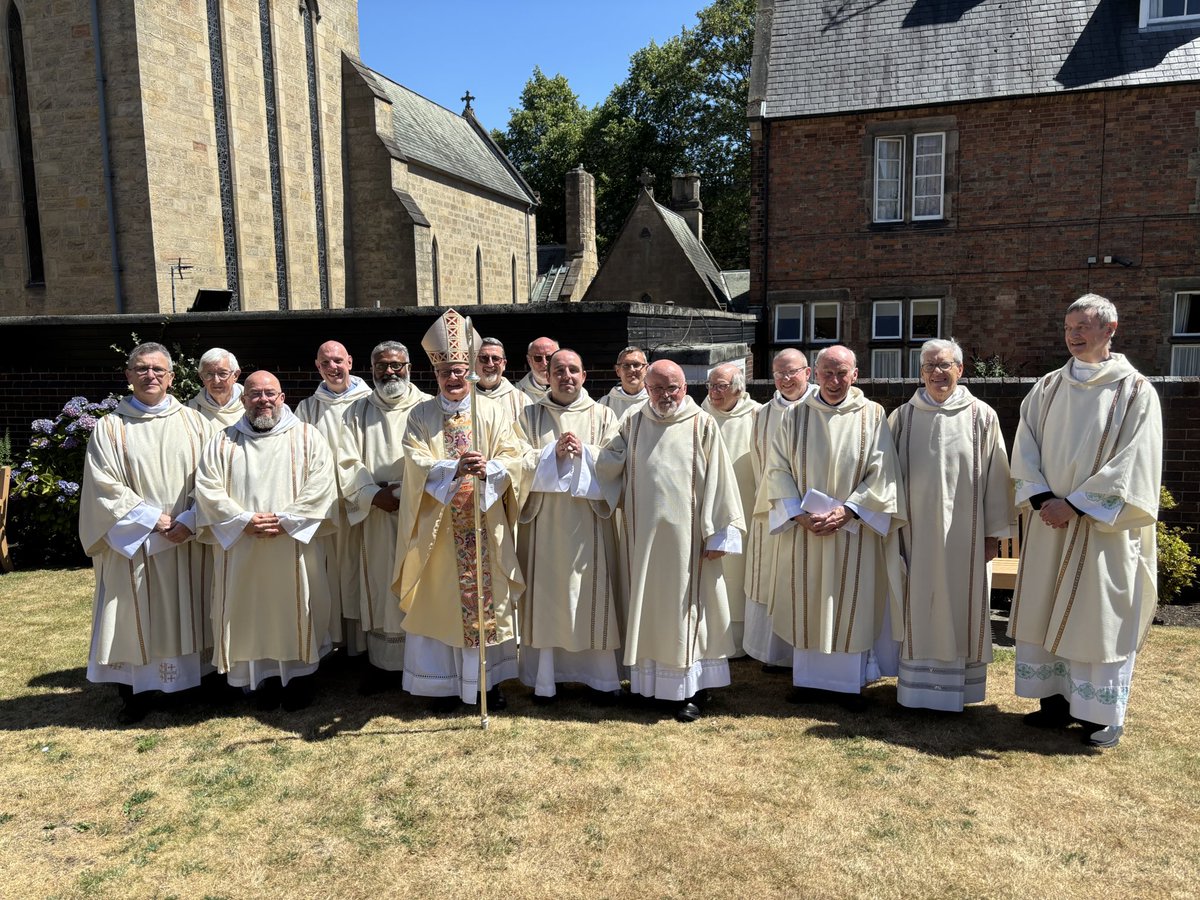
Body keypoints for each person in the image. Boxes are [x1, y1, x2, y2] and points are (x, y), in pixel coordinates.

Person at [1009, 294, 1162, 748]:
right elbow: (1025, 444)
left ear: (1110, 329)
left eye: (1084, 327)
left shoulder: (1136, 391)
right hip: (1048, 522)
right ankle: (1052, 701)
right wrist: (1040, 498)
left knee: (1098, 617)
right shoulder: (1048, 388)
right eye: (1069, 327)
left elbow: (1135, 462)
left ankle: (1100, 715)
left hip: (1101, 530)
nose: (1074, 335)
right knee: (1045, 606)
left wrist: (1074, 504)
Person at [392, 310, 526, 712]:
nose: (453, 378)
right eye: (446, 371)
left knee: (488, 603)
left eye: (459, 370)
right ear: (436, 374)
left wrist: (493, 468)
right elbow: (414, 462)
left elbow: (515, 457)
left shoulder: (492, 412)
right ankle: (443, 686)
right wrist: (451, 468)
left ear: (470, 373)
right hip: (440, 530)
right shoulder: (420, 415)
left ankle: (489, 684)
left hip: (484, 524)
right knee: (440, 603)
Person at [759, 345, 906, 710]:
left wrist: (849, 511)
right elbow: (776, 471)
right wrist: (798, 514)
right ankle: (808, 682)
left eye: (842, 373)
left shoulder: (872, 416)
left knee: (849, 605)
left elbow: (883, 473)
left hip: (853, 533)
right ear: (815, 374)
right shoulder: (794, 417)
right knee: (807, 602)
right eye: (828, 372)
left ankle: (847, 685)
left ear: (855, 375)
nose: (835, 380)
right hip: (806, 532)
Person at [598, 360, 744, 722]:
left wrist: (719, 533)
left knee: (687, 612)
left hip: (689, 542)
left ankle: (690, 691)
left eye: (673, 387)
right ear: (647, 388)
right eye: (658, 388)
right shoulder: (632, 422)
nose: (666, 395)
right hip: (642, 541)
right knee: (646, 607)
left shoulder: (702, 423)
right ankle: (648, 687)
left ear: (685, 387)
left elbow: (721, 481)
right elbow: (607, 463)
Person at [80, 342, 216, 722]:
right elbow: (103, 486)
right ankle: (134, 695)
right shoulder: (110, 428)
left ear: (172, 377)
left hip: (186, 539)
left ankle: (193, 686)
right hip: (134, 543)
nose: (150, 376)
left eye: (158, 369)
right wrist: (152, 519)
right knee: (131, 613)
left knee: (189, 606)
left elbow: (214, 478)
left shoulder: (196, 423)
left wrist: (190, 519)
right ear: (128, 376)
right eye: (141, 369)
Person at [195, 370, 338, 710]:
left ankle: (300, 680)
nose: (263, 400)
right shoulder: (223, 441)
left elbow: (321, 483)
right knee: (248, 614)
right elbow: (207, 487)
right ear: (243, 400)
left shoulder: (307, 437)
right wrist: (243, 521)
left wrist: (287, 521)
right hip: (241, 546)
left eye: (270, 393)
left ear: (282, 397)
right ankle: (256, 682)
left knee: (296, 609)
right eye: (255, 394)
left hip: (292, 544)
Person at [888, 339, 1014, 712]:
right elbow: (886, 476)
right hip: (915, 534)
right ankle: (915, 689)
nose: (936, 373)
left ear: (960, 370)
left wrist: (993, 534)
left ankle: (961, 689)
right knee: (919, 602)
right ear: (920, 373)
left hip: (968, 537)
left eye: (944, 365)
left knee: (961, 602)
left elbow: (997, 478)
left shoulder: (982, 416)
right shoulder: (902, 418)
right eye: (928, 366)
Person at [516, 349, 623, 703]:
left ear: (584, 375)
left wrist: (586, 455)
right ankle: (548, 680)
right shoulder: (529, 416)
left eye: (573, 370)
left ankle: (600, 679)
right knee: (548, 596)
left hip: (589, 521)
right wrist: (552, 456)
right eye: (558, 370)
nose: (566, 376)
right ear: (546, 375)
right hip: (544, 521)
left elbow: (615, 462)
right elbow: (515, 461)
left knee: (591, 595)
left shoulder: (604, 415)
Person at [337, 341, 432, 693]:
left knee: (421, 585)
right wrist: (372, 495)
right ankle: (384, 666)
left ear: (409, 366)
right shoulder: (356, 412)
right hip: (377, 513)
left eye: (396, 365)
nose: (390, 372)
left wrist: (410, 494)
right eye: (382, 366)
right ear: (371, 369)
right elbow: (346, 461)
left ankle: (424, 663)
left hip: (421, 512)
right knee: (380, 585)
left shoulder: (427, 407)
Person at [295, 340, 372, 656]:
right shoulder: (307, 408)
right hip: (326, 508)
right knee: (329, 574)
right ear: (318, 367)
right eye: (326, 363)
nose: (333, 368)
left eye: (338, 361)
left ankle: (363, 644)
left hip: (365, 505)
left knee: (361, 571)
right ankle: (334, 642)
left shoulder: (370, 402)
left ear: (350, 362)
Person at [744, 349, 813, 669]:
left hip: (814, 515)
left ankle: (806, 653)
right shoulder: (763, 414)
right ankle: (776, 653)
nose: (785, 379)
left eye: (792, 372)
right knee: (772, 579)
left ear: (808, 373)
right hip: (774, 513)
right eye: (779, 374)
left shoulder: (820, 408)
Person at [701, 363, 760, 656]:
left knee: (741, 573)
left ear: (738, 388)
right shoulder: (698, 416)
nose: (713, 392)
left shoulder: (757, 416)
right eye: (711, 386)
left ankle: (741, 640)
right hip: (707, 509)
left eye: (720, 386)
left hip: (746, 505)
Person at [475, 337, 532, 426]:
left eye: (495, 358)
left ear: (504, 364)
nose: (490, 364)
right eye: (484, 358)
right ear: (474, 362)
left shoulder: (521, 400)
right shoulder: (465, 398)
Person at [187, 347, 244, 427]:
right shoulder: (189, 410)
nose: (216, 381)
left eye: (222, 374)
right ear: (201, 377)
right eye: (209, 374)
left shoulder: (252, 405)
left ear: (235, 375)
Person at [598, 346, 649, 419]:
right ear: (618, 371)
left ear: (646, 369)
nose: (632, 370)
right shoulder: (604, 404)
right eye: (626, 365)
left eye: (636, 365)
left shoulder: (655, 400)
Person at [517, 336, 559, 400]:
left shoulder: (573, 390)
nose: (544, 363)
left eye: (549, 358)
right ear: (529, 361)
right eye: (538, 358)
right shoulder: (516, 393)